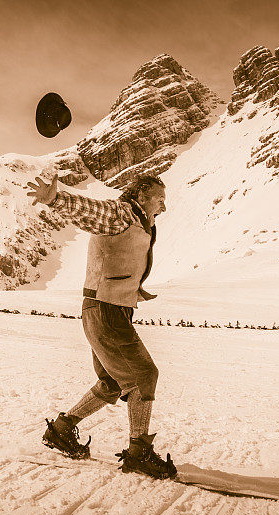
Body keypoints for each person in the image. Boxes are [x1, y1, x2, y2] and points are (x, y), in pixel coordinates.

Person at [26, 173, 176, 479]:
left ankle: (62, 430)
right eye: (160, 198)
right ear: (143, 195)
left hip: (108, 309)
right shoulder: (122, 214)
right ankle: (139, 453)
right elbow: (92, 212)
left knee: (113, 382)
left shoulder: (139, 221)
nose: (164, 206)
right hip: (106, 310)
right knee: (143, 375)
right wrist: (56, 199)